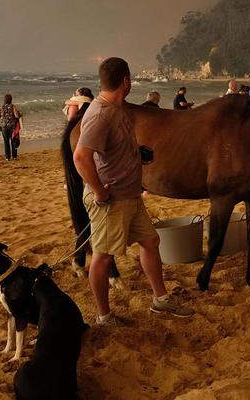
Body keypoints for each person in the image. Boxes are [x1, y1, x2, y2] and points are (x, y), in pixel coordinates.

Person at [73, 57, 193, 325]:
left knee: (150, 242)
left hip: (130, 195)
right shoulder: (100, 113)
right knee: (103, 257)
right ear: (125, 81)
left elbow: (112, 148)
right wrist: (99, 192)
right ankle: (104, 316)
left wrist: (137, 155)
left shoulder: (118, 109)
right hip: (111, 199)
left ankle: (160, 300)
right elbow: (81, 157)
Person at [0, 94, 22, 161]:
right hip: (12, 127)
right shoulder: (13, 106)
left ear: (4, 100)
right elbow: (16, 116)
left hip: (4, 127)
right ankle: (14, 157)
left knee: (6, 142)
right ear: (11, 100)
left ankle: (7, 157)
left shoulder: (1, 106)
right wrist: (19, 114)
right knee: (13, 141)